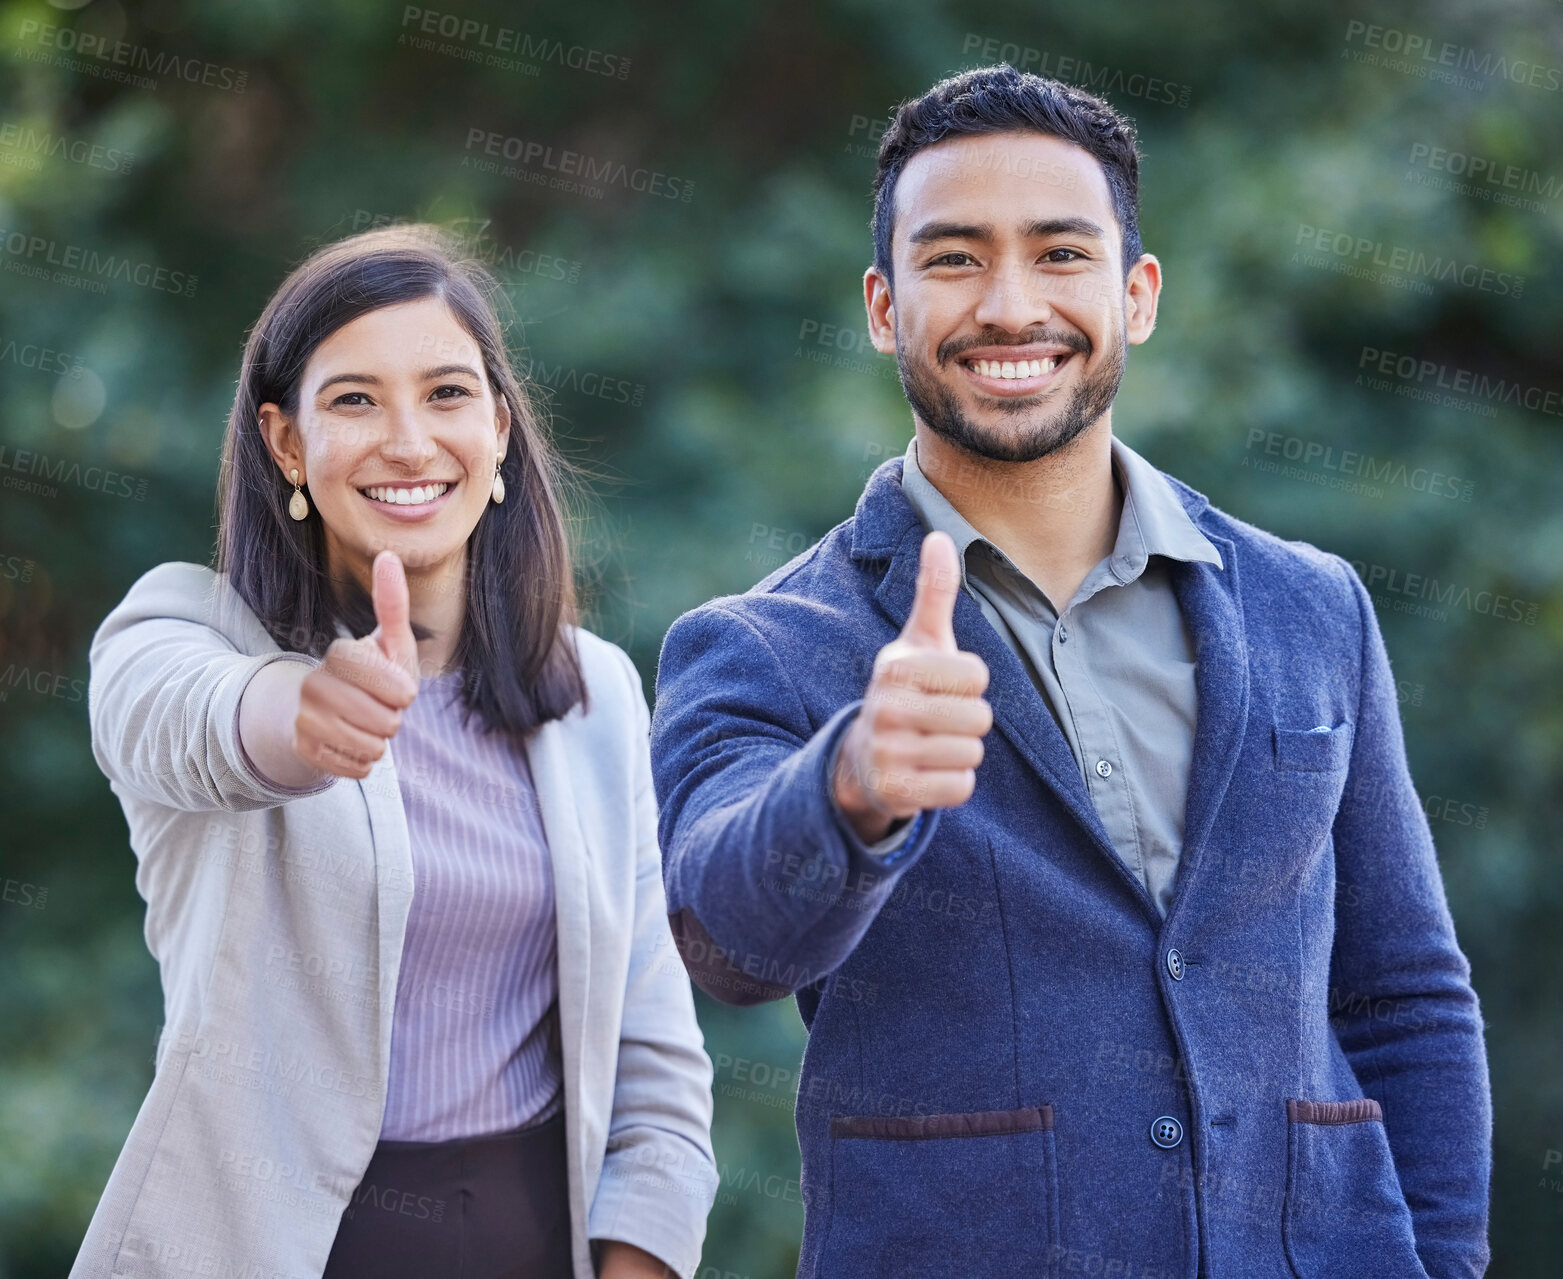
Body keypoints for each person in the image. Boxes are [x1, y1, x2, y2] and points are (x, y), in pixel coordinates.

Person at [649, 65, 1490, 1278]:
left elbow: (1405, 993)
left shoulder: (1314, 607)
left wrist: (1445, 1262)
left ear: (1135, 293)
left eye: (1058, 253)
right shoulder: (763, 642)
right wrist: (853, 786)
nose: (1009, 305)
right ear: (885, 307)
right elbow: (721, 939)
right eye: (953, 259)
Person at [77, 225, 716, 1279]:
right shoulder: (187, 631)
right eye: (355, 400)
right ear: (286, 442)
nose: (411, 441)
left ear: (501, 429)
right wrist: (298, 716)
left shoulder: (596, 693)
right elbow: (171, 717)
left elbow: (654, 1059)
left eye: (449, 394)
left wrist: (638, 1260)